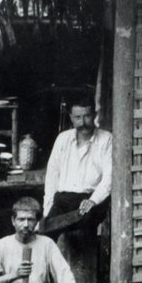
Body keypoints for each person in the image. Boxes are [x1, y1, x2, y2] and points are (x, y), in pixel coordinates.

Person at [42, 96, 112, 246]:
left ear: (94, 115)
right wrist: (47, 210)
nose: (83, 123)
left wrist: (93, 200)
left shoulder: (106, 139)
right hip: (62, 200)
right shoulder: (62, 139)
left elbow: (109, 177)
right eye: (78, 117)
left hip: (90, 200)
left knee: (83, 237)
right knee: (45, 236)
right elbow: (52, 176)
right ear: (71, 118)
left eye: (87, 116)